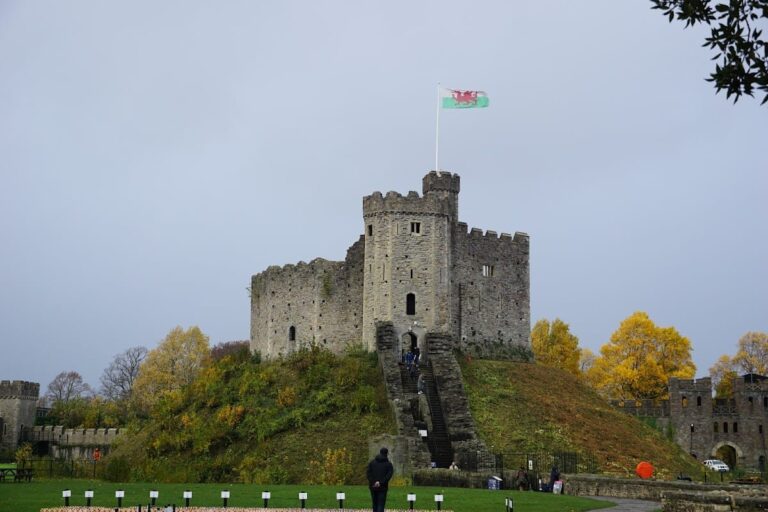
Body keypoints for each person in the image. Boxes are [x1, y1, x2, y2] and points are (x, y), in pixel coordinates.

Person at [367, 447, 394, 512]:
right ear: (386, 454)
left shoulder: (372, 463)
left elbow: (368, 473)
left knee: (374, 503)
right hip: (383, 487)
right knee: (381, 504)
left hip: (373, 486)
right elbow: (388, 476)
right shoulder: (388, 464)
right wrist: (380, 482)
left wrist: (374, 482)